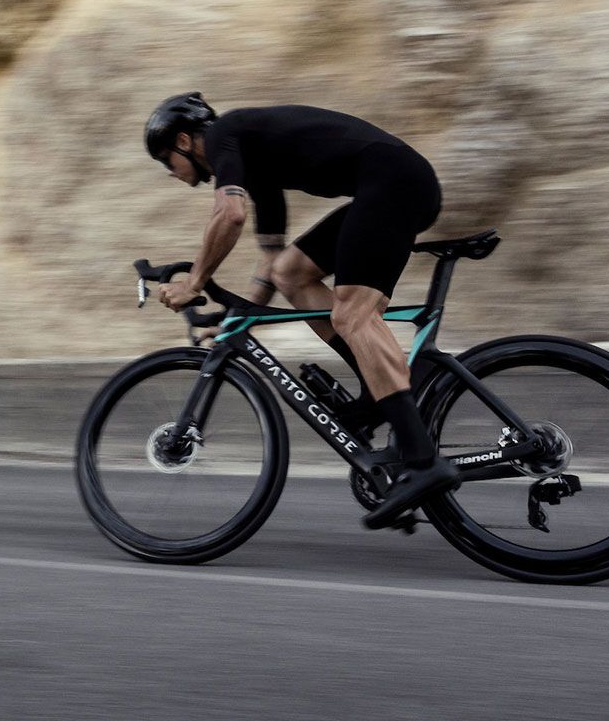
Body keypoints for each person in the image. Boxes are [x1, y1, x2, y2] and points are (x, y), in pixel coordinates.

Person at [142, 92, 456, 529]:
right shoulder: (255, 167)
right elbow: (272, 265)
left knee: (353, 314)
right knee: (293, 270)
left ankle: (423, 462)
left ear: (183, 141)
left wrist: (193, 281)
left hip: (393, 181)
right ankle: (380, 391)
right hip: (389, 182)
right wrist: (238, 315)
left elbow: (229, 214)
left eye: (165, 162)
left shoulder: (224, 136)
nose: (172, 175)